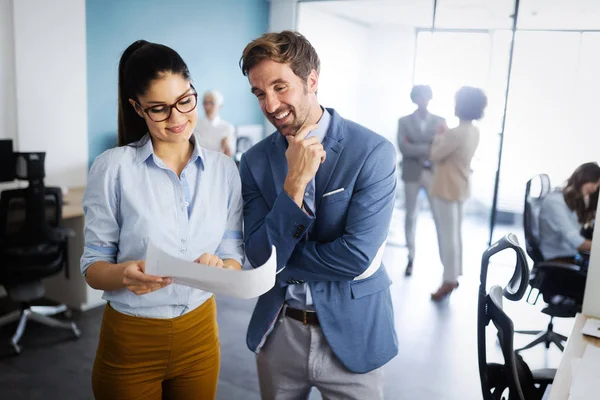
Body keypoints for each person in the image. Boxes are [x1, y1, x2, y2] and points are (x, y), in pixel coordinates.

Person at [238, 31, 398, 399]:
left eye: (281, 87)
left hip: (355, 334)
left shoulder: (373, 153)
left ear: (312, 80)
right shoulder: (255, 161)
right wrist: (293, 184)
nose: (270, 104)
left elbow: (356, 257)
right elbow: (258, 256)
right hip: (278, 333)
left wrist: (279, 264)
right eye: (260, 93)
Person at [80, 40, 244, 400]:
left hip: (201, 335)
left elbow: (233, 254)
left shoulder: (224, 170)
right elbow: (93, 267)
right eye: (159, 109)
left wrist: (221, 268)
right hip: (131, 342)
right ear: (137, 107)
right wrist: (124, 274)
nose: (177, 118)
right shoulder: (113, 168)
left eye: (185, 101)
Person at [429, 86, 487, 301]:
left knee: (447, 237)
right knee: (455, 235)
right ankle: (453, 275)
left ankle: (449, 279)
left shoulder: (454, 132)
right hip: (461, 186)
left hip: (446, 187)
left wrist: (438, 135)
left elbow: (435, 155)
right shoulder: (474, 131)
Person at [397, 85, 446, 276]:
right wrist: (428, 148)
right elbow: (403, 147)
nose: (422, 100)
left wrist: (416, 146)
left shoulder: (440, 121)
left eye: (425, 96)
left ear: (430, 98)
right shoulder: (404, 121)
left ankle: (445, 264)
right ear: (414, 99)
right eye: (419, 97)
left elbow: (442, 148)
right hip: (411, 173)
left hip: (433, 173)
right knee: (410, 216)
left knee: (438, 217)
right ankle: (411, 257)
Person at [539, 162, 600, 265]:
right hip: (557, 259)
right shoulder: (556, 202)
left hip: (569, 255)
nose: (594, 189)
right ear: (583, 179)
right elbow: (577, 242)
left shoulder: (572, 201)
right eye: (594, 184)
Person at [195, 90, 236, 157]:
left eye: (212, 103)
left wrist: (226, 146)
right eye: (205, 103)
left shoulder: (227, 128)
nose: (207, 106)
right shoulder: (195, 125)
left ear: (220, 106)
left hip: (218, 165)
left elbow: (229, 155)